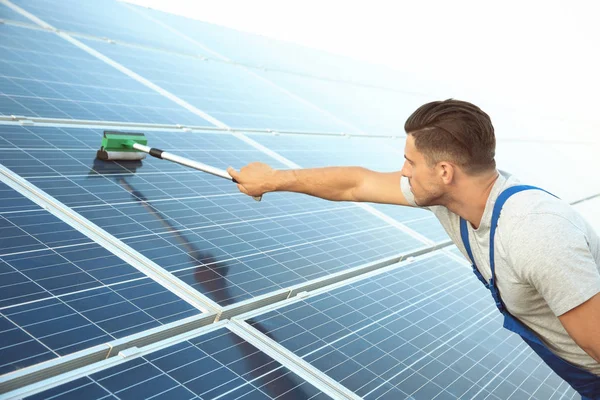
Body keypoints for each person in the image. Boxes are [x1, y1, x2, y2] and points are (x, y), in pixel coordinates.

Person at [227, 99, 600, 399]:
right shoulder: (452, 197)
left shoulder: (534, 234)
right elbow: (355, 184)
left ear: (444, 171)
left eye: (409, 161)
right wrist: (273, 180)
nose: (403, 172)